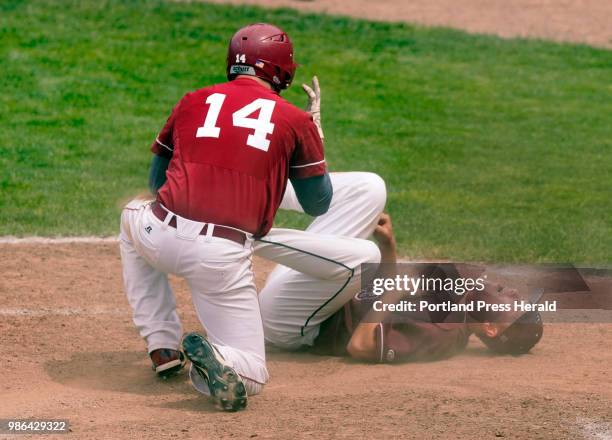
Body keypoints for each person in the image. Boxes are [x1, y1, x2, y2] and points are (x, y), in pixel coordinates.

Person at [119, 23, 381, 411]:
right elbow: (318, 204)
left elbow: (156, 181)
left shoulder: (193, 100)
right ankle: (219, 359)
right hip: (217, 258)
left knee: (130, 217)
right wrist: (316, 140)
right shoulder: (296, 121)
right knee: (253, 372)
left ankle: (161, 345)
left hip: (157, 233)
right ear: (282, 71)